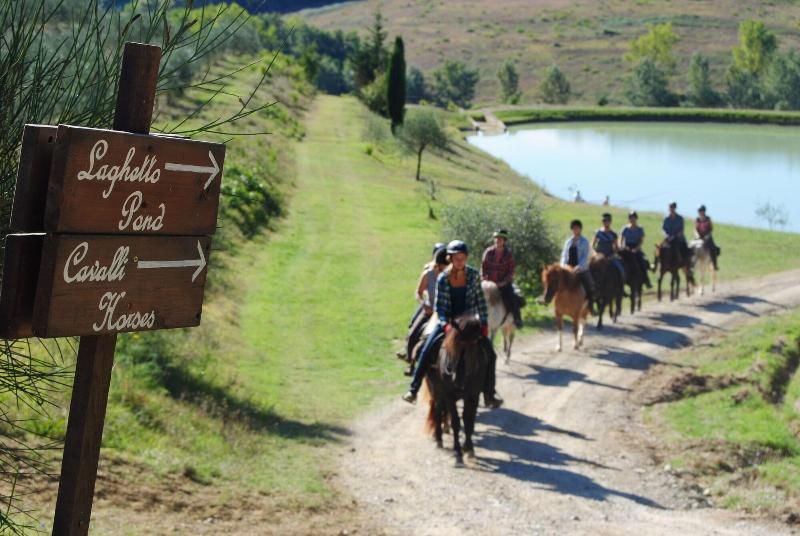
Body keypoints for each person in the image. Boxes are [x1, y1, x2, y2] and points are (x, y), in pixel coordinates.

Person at [403, 240, 503, 409]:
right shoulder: (443, 278)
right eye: (457, 258)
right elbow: (440, 307)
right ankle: (413, 389)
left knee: (490, 354)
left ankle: (489, 393)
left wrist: (483, 322)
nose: (460, 261)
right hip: (448, 321)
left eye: (463, 258)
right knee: (425, 349)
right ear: (450, 258)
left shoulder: (473, 275)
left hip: (469, 323)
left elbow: (480, 301)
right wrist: (444, 324)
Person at [481, 229, 522, 328]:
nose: (497, 240)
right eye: (496, 238)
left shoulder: (508, 254)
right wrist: (484, 279)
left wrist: (504, 282)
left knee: (512, 298)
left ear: (504, 241)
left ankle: (517, 318)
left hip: (503, 284)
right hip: (488, 284)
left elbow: (511, 271)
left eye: (500, 238)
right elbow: (483, 267)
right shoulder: (488, 252)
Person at [560, 220, 595, 314]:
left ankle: (590, 306)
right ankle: (547, 298)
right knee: (554, 280)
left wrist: (578, 267)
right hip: (567, 268)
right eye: (574, 228)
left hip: (580, 269)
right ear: (572, 229)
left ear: (580, 229)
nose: (575, 230)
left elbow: (585, 257)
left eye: (577, 228)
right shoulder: (568, 242)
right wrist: (563, 265)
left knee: (590, 285)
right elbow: (564, 255)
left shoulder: (585, 242)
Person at [620, 211, 653, 288]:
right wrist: (622, 246)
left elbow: (641, 241)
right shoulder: (625, 228)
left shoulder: (640, 229)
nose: (632, 220)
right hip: (626, 247)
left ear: (636, 219)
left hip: (636, 247)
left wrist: (636, 248)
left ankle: (646, 279)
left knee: (643, 261)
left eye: (633, 218)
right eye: (630, 218)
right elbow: (620, 239)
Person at [592, 213, 625, 279]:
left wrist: (612, 254)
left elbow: (616, 247)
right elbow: (592, 245)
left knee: (619, 267)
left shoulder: (613, 234)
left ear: (610, 222)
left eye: (607, 221)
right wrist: (595, 253)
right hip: (598, 256)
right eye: (604, 221)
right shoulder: (598, 232)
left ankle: (622, 280)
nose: (606, 222)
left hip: (609, 256)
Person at [695, 205, 719, 271]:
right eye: (699, 211)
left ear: (704, 211)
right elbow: (695, 229)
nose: (700, 212)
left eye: (701, 211)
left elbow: (711, 229)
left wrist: (707, 236)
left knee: (713, 248)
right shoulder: (697, 219)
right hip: (699, 238)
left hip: (707, 238)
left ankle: (715, 264)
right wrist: (697, 235)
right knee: (691, 247)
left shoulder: (708, 219)